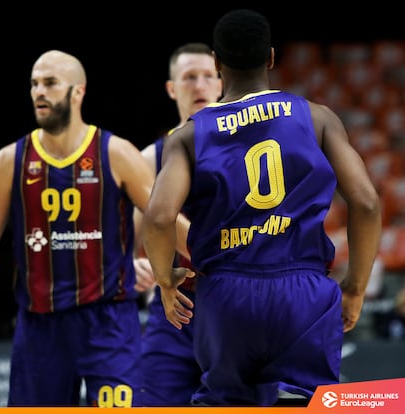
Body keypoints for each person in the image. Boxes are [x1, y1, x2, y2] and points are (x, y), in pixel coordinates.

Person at [141, 9, 382, 407]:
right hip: (302, 292)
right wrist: (354, 288)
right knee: (306, 401)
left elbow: (159, 217)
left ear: (217, 64)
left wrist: (167, 282)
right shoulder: (317, 117)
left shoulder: (188, 135)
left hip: (225, 294)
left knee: (225, 401)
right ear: (271, 57)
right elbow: (368, 204)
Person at [0, 49, 191, 407]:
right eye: (34, 83)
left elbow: (166, 221)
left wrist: (226, 260)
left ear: (77, 92)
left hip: (108, 322)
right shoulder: (9, 161)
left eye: (50, 83)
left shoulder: (116, 153)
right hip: (39, 327)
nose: (39, 91)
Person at [133, 42, 222, 406]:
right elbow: (120, 237)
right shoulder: (148, 158)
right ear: (172, 88)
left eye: (208, 76)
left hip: (237, 304)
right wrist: (132, 263)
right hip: (176, 306)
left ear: (221, 83)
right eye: (189, 77)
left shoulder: (255, 149)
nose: (199, 85)